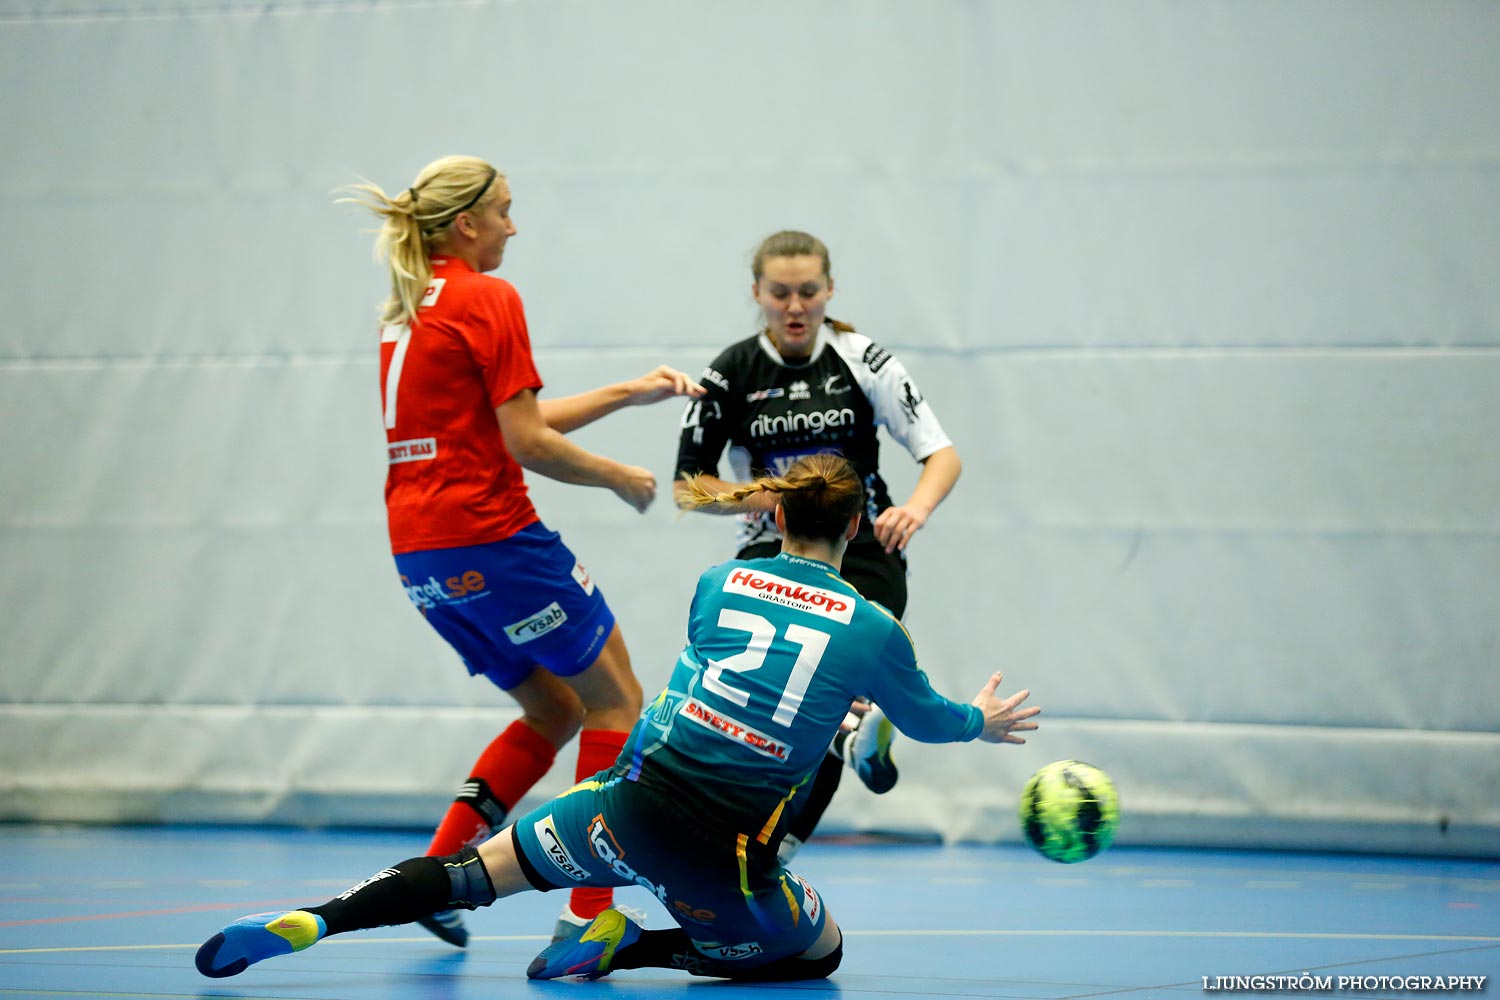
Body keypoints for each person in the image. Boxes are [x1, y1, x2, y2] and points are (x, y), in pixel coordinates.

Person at [194, 454, 1040, 984]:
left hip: (619, 807)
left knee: (468, 875)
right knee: (818, 953)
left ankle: (323, 918)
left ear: (777, 517)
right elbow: (927, 719)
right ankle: (625, 947)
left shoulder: (720, 585)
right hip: (723, 852)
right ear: (856, 528)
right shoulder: (873, 628)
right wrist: (983, 720)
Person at [338, 155, 704, 948]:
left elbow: (498, 425)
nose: (515, 224)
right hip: (493, 537)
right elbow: (525, 441)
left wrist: (623, 392)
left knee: (553, 707)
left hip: (423, 555)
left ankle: (434, 879)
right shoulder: (487, 295)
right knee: (615, 701)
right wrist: (618, 478)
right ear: (466, 223)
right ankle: (588, 916)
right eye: (505, 209)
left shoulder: (405, 309)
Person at [674, 230, 964, 857]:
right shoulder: (730, 373)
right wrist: (784, 496)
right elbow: (688, 488)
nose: (796, 306)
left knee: (823, 698)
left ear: (829, 290)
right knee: (789, 706)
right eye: (780, 294)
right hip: (769, 552)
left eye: (809, 292)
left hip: (861, 550)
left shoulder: (864, 358)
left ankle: (778, 848)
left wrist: (914, 508)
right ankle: (849, 739)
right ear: (758, 294)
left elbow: (942, 454)